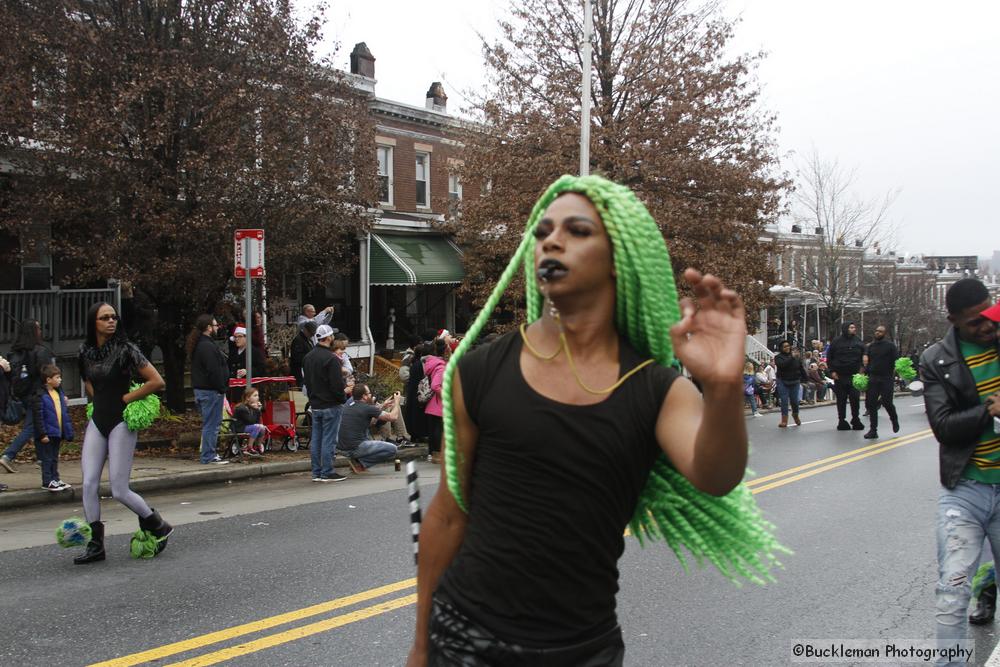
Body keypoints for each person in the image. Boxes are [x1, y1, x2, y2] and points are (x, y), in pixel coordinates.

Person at [406, 175, 781, 666]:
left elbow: (715, 476)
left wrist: (725, 385)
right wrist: (419, 647)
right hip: (465, 638)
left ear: (620, 258)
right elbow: (448, 515)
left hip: (582, 649)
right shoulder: (478, 371)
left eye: (578, 231)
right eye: (542, 233)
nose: (551, 241)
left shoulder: (657, 390)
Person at [921, 280, 1000, 661]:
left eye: (989, 315)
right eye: (975, 322)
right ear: (953, 320)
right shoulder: (937, 359)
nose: (986, 326)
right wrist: (988, 410)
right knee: (952, 591)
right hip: (965, 491)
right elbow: (944, 427)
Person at [76, 302, 171, 564]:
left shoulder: (127, 349)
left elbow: (156, 381)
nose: (111, 321)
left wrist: (126, 398)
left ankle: (157, 524)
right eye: (104, 318)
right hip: (98, 419)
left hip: (121, 421)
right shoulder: (85, 350)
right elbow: (88, 381)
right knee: (88, 483)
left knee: (118, 489)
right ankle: (95, 546)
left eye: (113, 317)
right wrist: (98, 402)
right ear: (93, 322)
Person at [0, 319, 55, 473]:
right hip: (37, 394)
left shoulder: (14, 352)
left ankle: (42, 458)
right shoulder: (40, 351)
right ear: (34, 331)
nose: (41, 331)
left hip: (21, 395)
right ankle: (7, 455)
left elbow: (10, 375)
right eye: (38, 328)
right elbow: (48, 374)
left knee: (38, 426)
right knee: (31, 427)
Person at [302, 324, 347, 482]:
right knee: (329, 439)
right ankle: (327, 471)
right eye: (332, 336)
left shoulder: (308, 357)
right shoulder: (331, 359)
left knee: (317, 439)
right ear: (328, 338)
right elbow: (336, 385)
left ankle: (317, 471)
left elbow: (307, 381)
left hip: (316, 403)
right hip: (330, 404)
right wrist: (342, 398)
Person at [188, 314, 229, 465]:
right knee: (212, 424)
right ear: (208, 328)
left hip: (204, 390)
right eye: (215, 325)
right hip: (210, 391)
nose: (217, 328)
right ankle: (208, 455)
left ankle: (209, 454)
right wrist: (221, 387)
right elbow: (214, 370)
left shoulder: (201, 344)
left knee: (209, 423)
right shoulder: (207, 346)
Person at [339, 384, 401, 473]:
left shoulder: (348, 404)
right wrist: (397, 402)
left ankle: (357, 460)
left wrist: (383, 406)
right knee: (392, 449)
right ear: (364, 396)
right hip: (355, 448)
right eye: (368, 393)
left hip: (341, 447)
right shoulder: (367, 408)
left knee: (365, 431)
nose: (371, 395)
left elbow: (370, 420)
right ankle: (361, 464)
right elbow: (393, 417)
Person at [36, 363, 74, 491]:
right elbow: (39, 416)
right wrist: (42, 434)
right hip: (47, 433)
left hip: (57, 430)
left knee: (54, 457)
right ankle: (47, 481)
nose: (60, 380)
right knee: (47, 458)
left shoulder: (58, 393)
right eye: (57, 377)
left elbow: (62, 413)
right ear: (48, 380)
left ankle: (55, 478)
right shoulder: (41, 395)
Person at [862, 324, 900, 439]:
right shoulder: (871, 346)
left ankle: (894, 419)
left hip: (886, 378)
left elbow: (896, 361)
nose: (877, 333)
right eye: (876, 331)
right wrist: (866, 373)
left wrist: (895, 373)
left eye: (880, 331)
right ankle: (873, 430)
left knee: (887, 402)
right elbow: (868, 362)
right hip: (873, 378)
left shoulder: (890, 346)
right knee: (871, 404)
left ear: (884, 333)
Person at [827, 322, 865, 431]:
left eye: (854, 327)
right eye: (851, 327)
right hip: (840, 375)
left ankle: (855, 418)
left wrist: (862, 369)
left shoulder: (858, 341)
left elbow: (865, 354)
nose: (854, 329)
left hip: (854, 375)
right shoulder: (836, 342)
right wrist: (832, 371)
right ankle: (842, 420)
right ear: (845, 329)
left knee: (855, 398)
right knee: (841, 399)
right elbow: (830, 357)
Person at [422, 337, 448, 465]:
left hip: (432, 403)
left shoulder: (431, 364)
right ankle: (437, 455)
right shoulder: (440, 367)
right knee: (438, 431)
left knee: (434, 430)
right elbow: (436, 385)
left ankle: (433, 454)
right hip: (439, 404)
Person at [774, 340, 805, 428]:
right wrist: (791, 357)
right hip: (783, 381)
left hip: (795, 381)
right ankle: (784, 420)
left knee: (794, 401)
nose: (787, 348)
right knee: (784, 401)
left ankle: (795, 415)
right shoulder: (778, 357)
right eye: (785, 347)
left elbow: (801, 368)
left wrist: (805, 378)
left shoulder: (796, 357)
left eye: (788, 346)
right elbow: (782, 365)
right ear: (781, 348)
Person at [233, 387, 268, 456]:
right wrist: (257, 410)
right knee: (257, 427)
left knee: (263, 428)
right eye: (255, 395)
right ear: (247, 398)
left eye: (258, 395)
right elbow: (250, 421)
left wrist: (258, 410)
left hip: (248, 427)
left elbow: (256, 422)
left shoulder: (251, 407)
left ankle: (258, 446)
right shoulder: (242, 408)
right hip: (239, 427)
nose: (257, 397)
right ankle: (249, 447)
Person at [406, 343, 429, 442]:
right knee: (418, 413)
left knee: (413, 413)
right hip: (418, 391)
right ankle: (419, 434)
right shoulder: (420, 364)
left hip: (412, 390)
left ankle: (414, 434)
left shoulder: (415, 363)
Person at [289, 321, 317, 391]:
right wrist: (311, 358)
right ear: (305, 330)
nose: (312, 335)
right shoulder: (298, 340)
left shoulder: (308, 340)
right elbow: (297, 357)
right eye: (310, 333)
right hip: (299, 372)